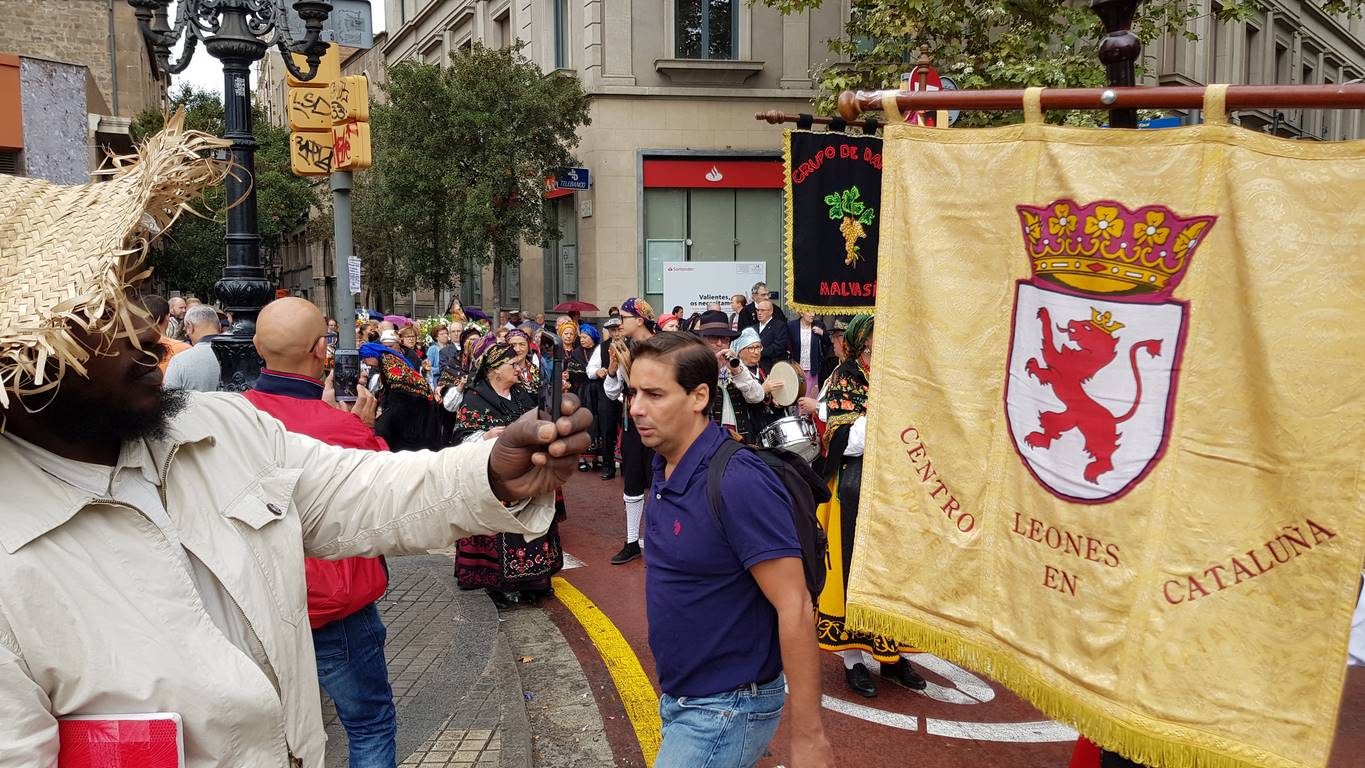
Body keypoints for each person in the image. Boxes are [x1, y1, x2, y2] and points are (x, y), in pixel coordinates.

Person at [0, 118, 592, 767]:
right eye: (101, 314)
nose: (147, 329)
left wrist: (494, 471)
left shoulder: (218, 426)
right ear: (26, 362)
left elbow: (361, 494)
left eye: (133, 295)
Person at [628, 332, 834, 768]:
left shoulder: (738, 480)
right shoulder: (664, 462)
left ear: (699, 396)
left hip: (727, 706)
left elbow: (795, 605)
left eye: (654, 394)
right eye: (634, 392)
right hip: (683, 697)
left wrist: (810, 740)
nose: (636, 408)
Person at [243, 298, 397, 768]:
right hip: (334, 607)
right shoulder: (342, 429)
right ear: (320, 351)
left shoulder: (234, 417)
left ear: (255, 346)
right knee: (369, 723)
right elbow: (388, 491)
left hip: (258, 606)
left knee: (277, 735)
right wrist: (361, 426)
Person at [813, 314, 926, 697]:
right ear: (861, 348)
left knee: (893, 573)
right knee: (850, 574)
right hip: (853, 489)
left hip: (896, 490)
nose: (881, 353)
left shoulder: (897, 377)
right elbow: (849, 440)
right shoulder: (843, 381)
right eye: (874, 347)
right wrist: (887, 411)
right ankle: (853, 661)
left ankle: (892, 658)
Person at [450, 340, 567, 607]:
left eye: (518, 363)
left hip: (527, 474)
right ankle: (498, 585)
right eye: (512, 364)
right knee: (501, 530)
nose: (518, 368)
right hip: (494, 479)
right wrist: (486, 436)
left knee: (533, 525)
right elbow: (461, 438)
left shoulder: (522, 394)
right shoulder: (475, 398)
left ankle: (534, 581)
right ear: (494, 370)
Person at [602, 297, 656, 564]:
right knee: (632, 478)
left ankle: (661, 540)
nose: (618, 322)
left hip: (660, 420)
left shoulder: (661, 347)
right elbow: (612, 393)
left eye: (623, 317)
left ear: (639, 319)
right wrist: (613, 369)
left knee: (661, 479)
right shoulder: (622, 347)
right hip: (633, 421)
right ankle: (632, 540)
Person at [360, 336, 444, 452]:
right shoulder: (387, 361)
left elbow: (399, 388)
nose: (365, 363)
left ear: (371, 356)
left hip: (413, 405)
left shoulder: (387, 362)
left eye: (365, 360)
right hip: (413, 403)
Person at [696, 310, 767, 444]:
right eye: (713, 338)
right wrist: (714, 368)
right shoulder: (695, 365)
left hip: (738, 438)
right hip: (707, 439)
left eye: (725, 339)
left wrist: (738, 371)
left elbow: (757, 397)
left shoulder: (735, 365)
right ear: (702, 341)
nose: (719, 343)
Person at [732, 327, 784, 437]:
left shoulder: (765, 368)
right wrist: (763, 389)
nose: (756, 352)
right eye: (751, 348)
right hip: (749, 425)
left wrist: (778, 402)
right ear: (740, 351)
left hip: (770, 424)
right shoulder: (736, 373)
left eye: (758, 347)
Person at [163, 303, 223, 392]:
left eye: (186, 329)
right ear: (220, 326)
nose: (187, 334)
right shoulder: (237, 354)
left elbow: (169, 400)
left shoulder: (180, 361)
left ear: (190, 326)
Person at [595, 317, 624, 480]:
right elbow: (591, 369)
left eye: (619, 329)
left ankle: (628, 466)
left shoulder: (632, 345)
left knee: (629, 432)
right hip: (609, 394)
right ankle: (608, 467)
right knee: (607, 431)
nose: (616, 333)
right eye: (612, 330)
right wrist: (598, 371)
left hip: (627, 395)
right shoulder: (603, 347)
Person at [577, 324, 604, 473]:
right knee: (585, 423)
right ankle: (582, 458)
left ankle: (596, 458)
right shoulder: (576, 353)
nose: (582, 339)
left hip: (598, 391)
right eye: (581, 337)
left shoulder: (599, 350)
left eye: (585, 337)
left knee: (598, 423)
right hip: (582, 392)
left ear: (593, 338)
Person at [143, 294, 190, 374]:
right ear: (168, 317)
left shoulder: (130, 351)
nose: (184, 310)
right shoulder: (185, 350)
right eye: (181, 308)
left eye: (185, 308)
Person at [788, 311, 828, 397]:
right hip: (797, 368)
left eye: (814, 312)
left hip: (812, 367)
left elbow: (828, 343)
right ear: (801, 313)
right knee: (798, 394)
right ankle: (799, 411)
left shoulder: (819, 325)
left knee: (811, 395)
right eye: (809, 312)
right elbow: (787, 344)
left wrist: (822, 333)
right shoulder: (792, 326)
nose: (813, 314)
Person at [756, 300, 792, 374]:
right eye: (758, 310)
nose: (759, 313)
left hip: (773, 368)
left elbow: (778, 347)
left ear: (771, 311)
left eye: (763, 310)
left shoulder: (780, 326)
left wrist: (758, 352)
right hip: (755, 368)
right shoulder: (753, 328)